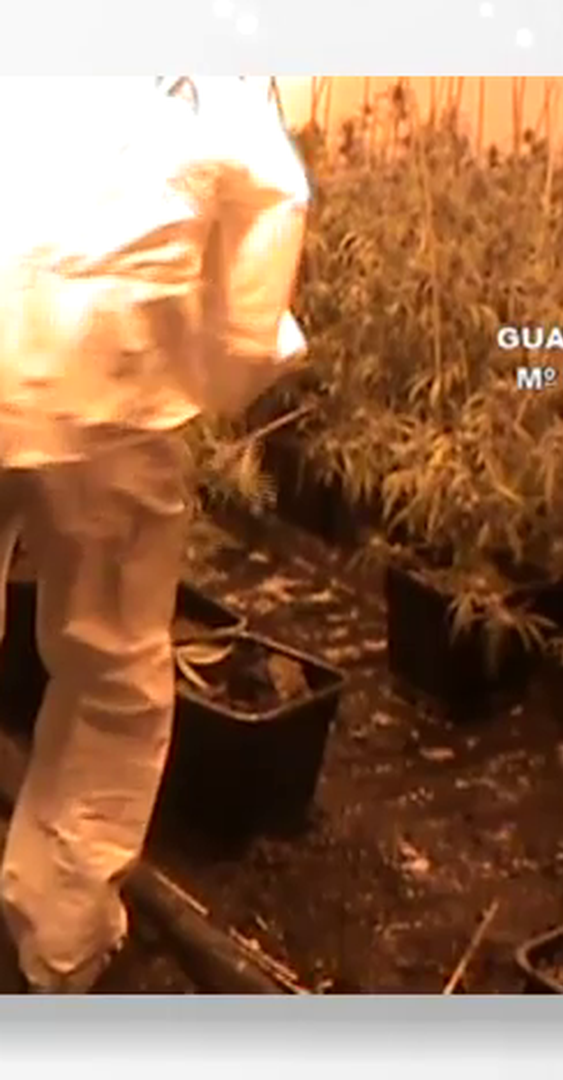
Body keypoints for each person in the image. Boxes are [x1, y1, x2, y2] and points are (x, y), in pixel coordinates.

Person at [0, 76, 309, 993]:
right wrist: (214, 373)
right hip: (113, 384)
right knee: (111, 673)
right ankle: (60, 940)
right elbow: (268, 211)